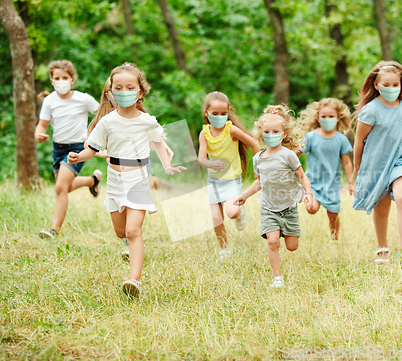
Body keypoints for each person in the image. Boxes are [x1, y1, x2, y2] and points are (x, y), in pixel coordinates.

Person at [67, 63, 185, 298]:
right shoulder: (107, 121)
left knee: (133, 231)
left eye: (130, 87)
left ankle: (134, 281)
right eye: (118, 87)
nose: (124, 91)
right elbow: (92, 148)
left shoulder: (147, 120)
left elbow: (158, 142)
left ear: (140, 92)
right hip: (115, 180)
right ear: (110, 93)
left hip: (139, 178)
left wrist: (167, 165)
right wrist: (78, 157)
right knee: (121, 232)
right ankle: (132, 249)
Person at [353, 61, 402, 266]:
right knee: (382, 206)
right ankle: (382, 248)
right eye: (385, 85)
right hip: (376, 162)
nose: (391, 89)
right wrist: (357, 168)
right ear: (377, 85)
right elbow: (359, 141)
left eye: (395, 85)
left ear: (401, 84)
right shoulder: (371, 110)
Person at [235, 105, 312, 288]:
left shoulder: (289, 156)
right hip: (269, 208)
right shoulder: (258, 158)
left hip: (288, 207)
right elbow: (259, 182)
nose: (271, 134)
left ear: (283, 134)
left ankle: (284, 230)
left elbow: (302, 175)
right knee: (272, 242)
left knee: (292, 246)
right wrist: (244, 196)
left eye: (275, 131)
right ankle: (277, 277)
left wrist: (308, 193)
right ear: (261, 135)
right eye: (267, 131)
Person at [35, 60, 102, 239]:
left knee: (59, 188)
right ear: (51, 81)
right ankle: (92, 181)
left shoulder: (83, 99)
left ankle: (54, 230)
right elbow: (41, 126)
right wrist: (39, 135)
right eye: (57, 78)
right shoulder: (49, 101)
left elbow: (103, 115)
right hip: (58, 149)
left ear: (72, 79)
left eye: (65, 77)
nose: (61, 80)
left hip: (77, 149)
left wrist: (94, 137)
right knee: (64, 187)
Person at [198, 91, 260, 262]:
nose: (220, 117)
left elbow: (254, 144)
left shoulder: (231, 130)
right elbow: (201, 158)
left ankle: (240, 212)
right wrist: (210, 164)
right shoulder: (204, 133)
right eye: (215, 114)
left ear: (228, 112)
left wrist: (258, 169)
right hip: (213, 181)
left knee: (231, 212)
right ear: (207, 113)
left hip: (231, 179)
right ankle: (224, 248)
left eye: (223, 114)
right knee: (217, 218)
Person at [296, 98, 355, 242]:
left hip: (331, 185)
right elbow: (295, 154)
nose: (327, 119)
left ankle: (334, 239)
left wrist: (351, 182)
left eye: (331, 116)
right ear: (318, 117)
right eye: (324, 116)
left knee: (333, 215)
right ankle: (312, 201)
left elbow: (347, 162)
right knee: (311, 209)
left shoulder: (341, 139)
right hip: (313, 183)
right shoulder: (310, 137)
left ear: (338, 117)